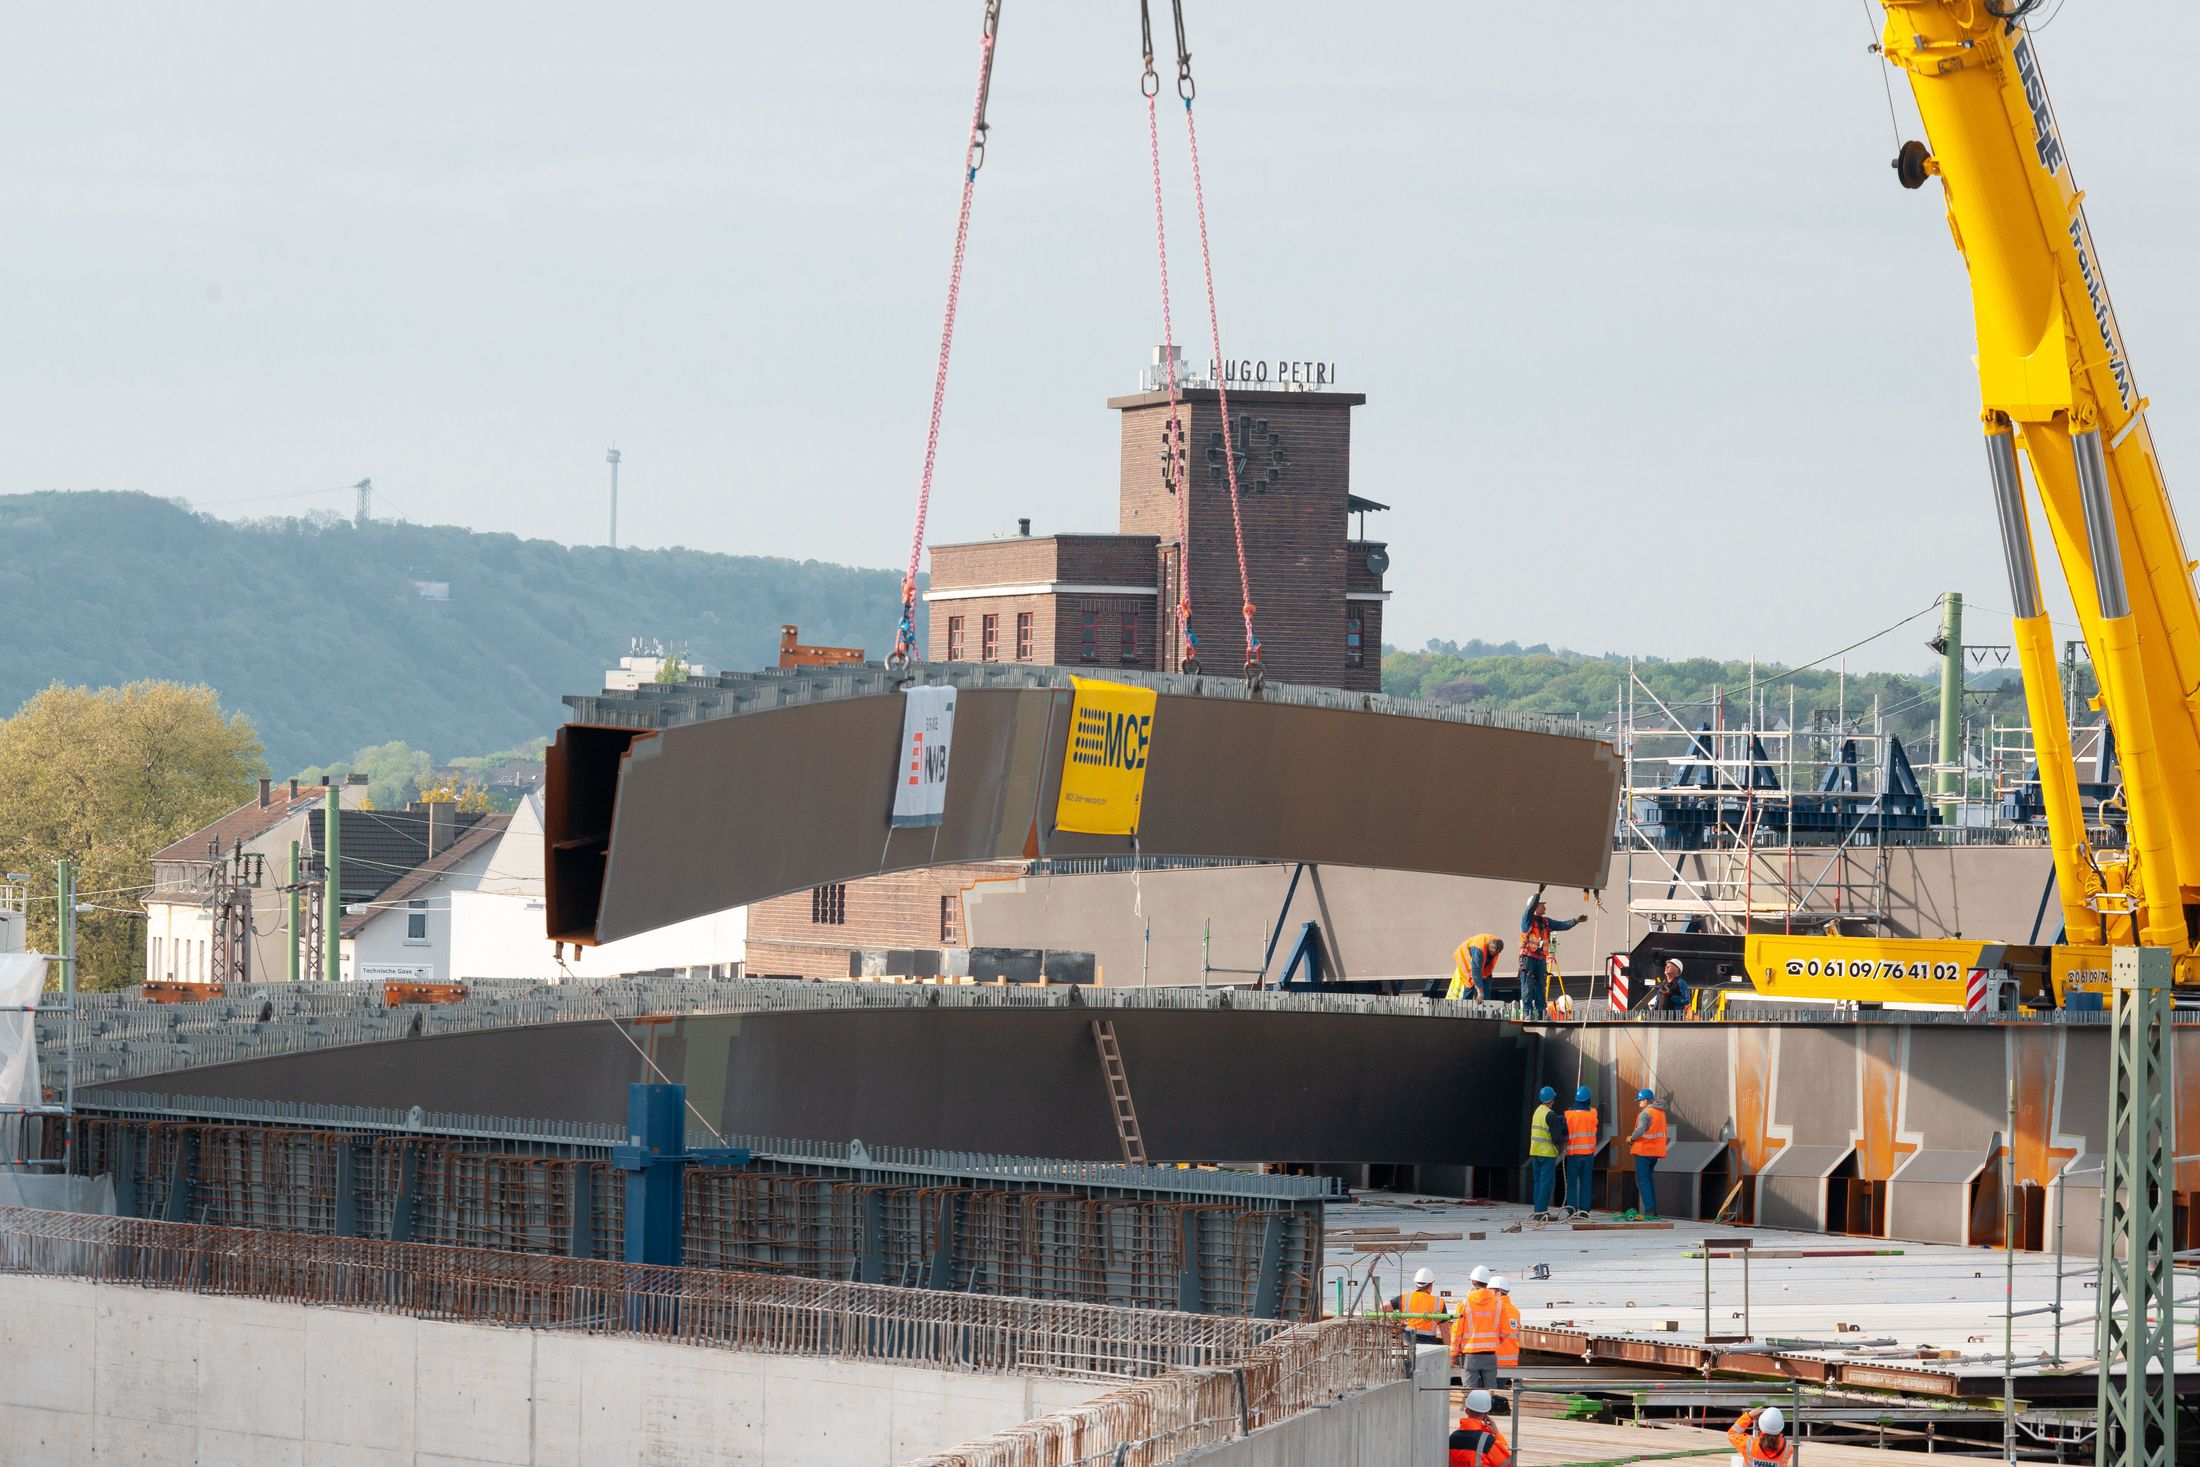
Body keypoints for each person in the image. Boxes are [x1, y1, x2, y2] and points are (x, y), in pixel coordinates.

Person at [1518, 885, 1586, 1020]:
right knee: (1527, 987)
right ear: (1536, 906)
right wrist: (1538, 893)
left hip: (1540, 959)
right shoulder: (1527, 921)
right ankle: (1527, 1014)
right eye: (1542, 905)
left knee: (1541, 987)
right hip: (1528, 958)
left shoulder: (1546, 922)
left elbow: (1562, 925)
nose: (1545, 908)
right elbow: (1529, 909)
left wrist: (1576, 921)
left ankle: (1542, 1013)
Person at [1449, 1269, 1503, 1391]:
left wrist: (1453, 1355)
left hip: (1470, 1355)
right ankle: (1490, 1410)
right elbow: (1505, 1331)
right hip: (1490, 1355)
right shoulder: (1498, 1303)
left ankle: (1473, 1410)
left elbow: (1457, 1332)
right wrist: (1494, 1342)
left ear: (1473, 1282)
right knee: (1491, 1392)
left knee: (1470, 1392)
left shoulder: (1464, 1304)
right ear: (1487, 1283)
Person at [1626, 1087, 1667, 1219]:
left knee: (1642, 1181)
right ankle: (1651, 1209)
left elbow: (1640, 1130)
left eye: (1639, 1101)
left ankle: (1650, 1210)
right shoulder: (1660, 1112)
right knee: (1648, 1180)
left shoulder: (1645, 1113)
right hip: (1655, 1152)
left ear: (1645, 1100)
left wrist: (1631, 1138)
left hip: (1643, 1151)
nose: (1639, 1104)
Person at [1383, 1266, 1446, 1347]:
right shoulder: (1439, 1302)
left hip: (1408, 1341)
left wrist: (1390, 1318)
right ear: (1430, 1286)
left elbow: (1383, 1307)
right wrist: (1451, 1354)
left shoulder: (1405, 1298)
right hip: (1428, 1345)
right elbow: (1445, 1331)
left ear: (1416, 1284)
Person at [1527, 1085, 1565, 1221]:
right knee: (1546, 1184)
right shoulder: (1551, 1115)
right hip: (1547, 1154)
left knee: (1538, 1183)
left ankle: (1538, 1211)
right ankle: (1542, 1213)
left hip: (1535, 1152)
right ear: (1552, 1099)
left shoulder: (1537, 1112)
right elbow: (1556, 1138)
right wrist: (1566, 1138)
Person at [1561, 1085, 1599, 1219]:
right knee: (1586, 1183)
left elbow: (1564, 1131)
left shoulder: (1568, 1114)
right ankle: (1584, 1211)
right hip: (1588, 1154)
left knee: (1571, 1183)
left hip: (1573, 1155)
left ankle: (1572, 1210)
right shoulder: (1593, 1113)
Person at [1450, 1389, 1513, 1467]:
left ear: (1466, 1410)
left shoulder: (1452, 1438)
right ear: (1486, 1414)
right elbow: (1508, 1463)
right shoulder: (1488, 1441)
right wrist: (1497, 1434)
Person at [1443, 932, 1505, 1002]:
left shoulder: (1496, 945)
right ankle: (1465, 1006)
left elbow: (1487, 970)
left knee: (1486, 979)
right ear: (1490, 948)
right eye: (1493, 952)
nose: (1495, 954)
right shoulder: (1478, 950)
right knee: (1470, 982)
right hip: (1465, 960)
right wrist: (1480, 993)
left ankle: (1484, 1007)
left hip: (1480, 962)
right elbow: (1475, 972)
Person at [1490, 1274, 1520, 1379]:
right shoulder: (1515, 1311)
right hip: (1511, 1362)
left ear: (1498, 1293)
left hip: (1494, 1361)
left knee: (1489, 1391)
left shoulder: (1493, 1309)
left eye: (1489, 1291)